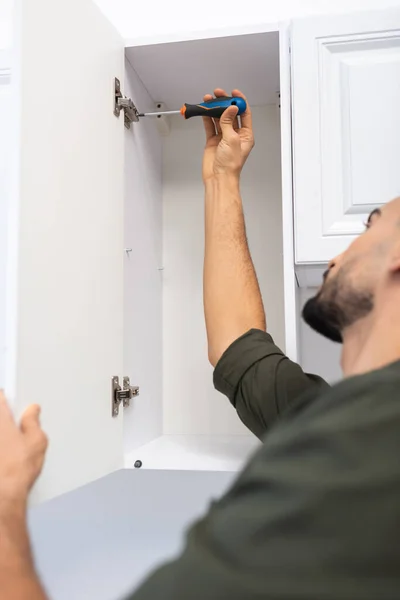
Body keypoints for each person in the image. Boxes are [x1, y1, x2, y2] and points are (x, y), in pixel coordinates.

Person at [1, 88, 400, 600]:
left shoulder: (372, 443)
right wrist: (222, 177)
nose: (341, 252)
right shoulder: (326, 417)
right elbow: (237, 342)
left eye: (371, 226)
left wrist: (5, 506)